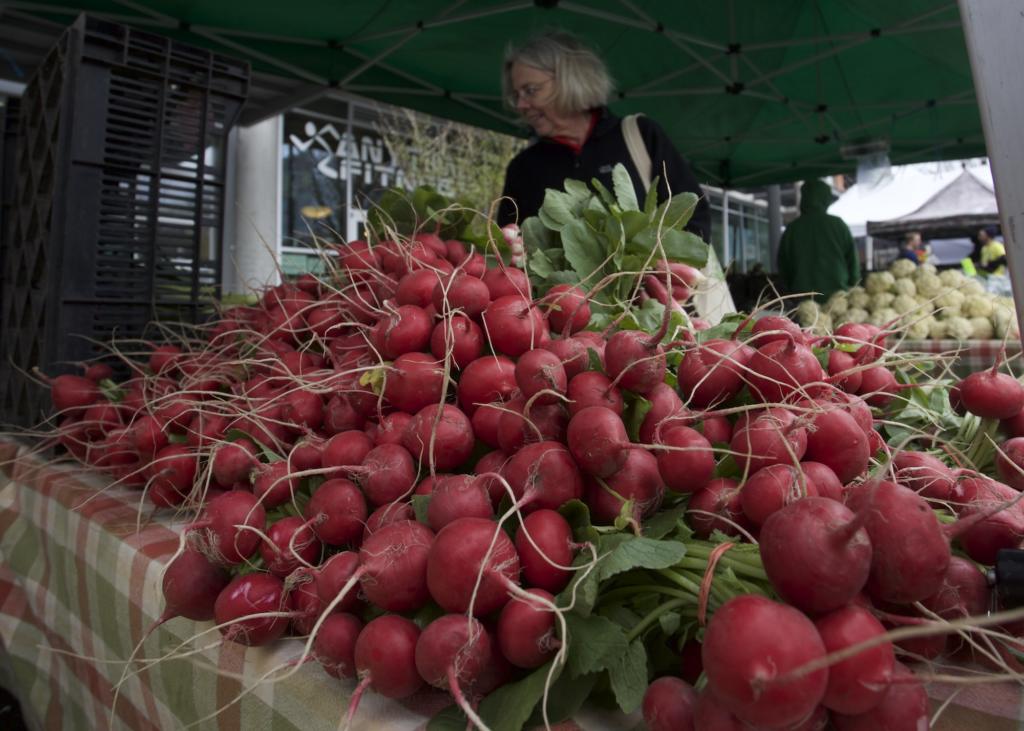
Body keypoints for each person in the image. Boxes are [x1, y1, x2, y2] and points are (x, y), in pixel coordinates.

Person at [496, 31, 711, 240]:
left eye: (531, 90)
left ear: (571, 80)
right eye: (516, 95)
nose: (521, 105)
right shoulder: (522, 168)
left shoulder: (641, 135)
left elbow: (694, 218)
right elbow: (506, 252)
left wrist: (664, 268)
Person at [776, 178, 860, 301]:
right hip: (837, 296)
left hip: (802, 297)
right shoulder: (838, 225)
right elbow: (853, 261)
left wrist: (791, 289)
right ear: (827, 199)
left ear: (803, 199)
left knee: (805, 320)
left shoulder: (792, 229)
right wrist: (853, 285)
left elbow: (783, 266)